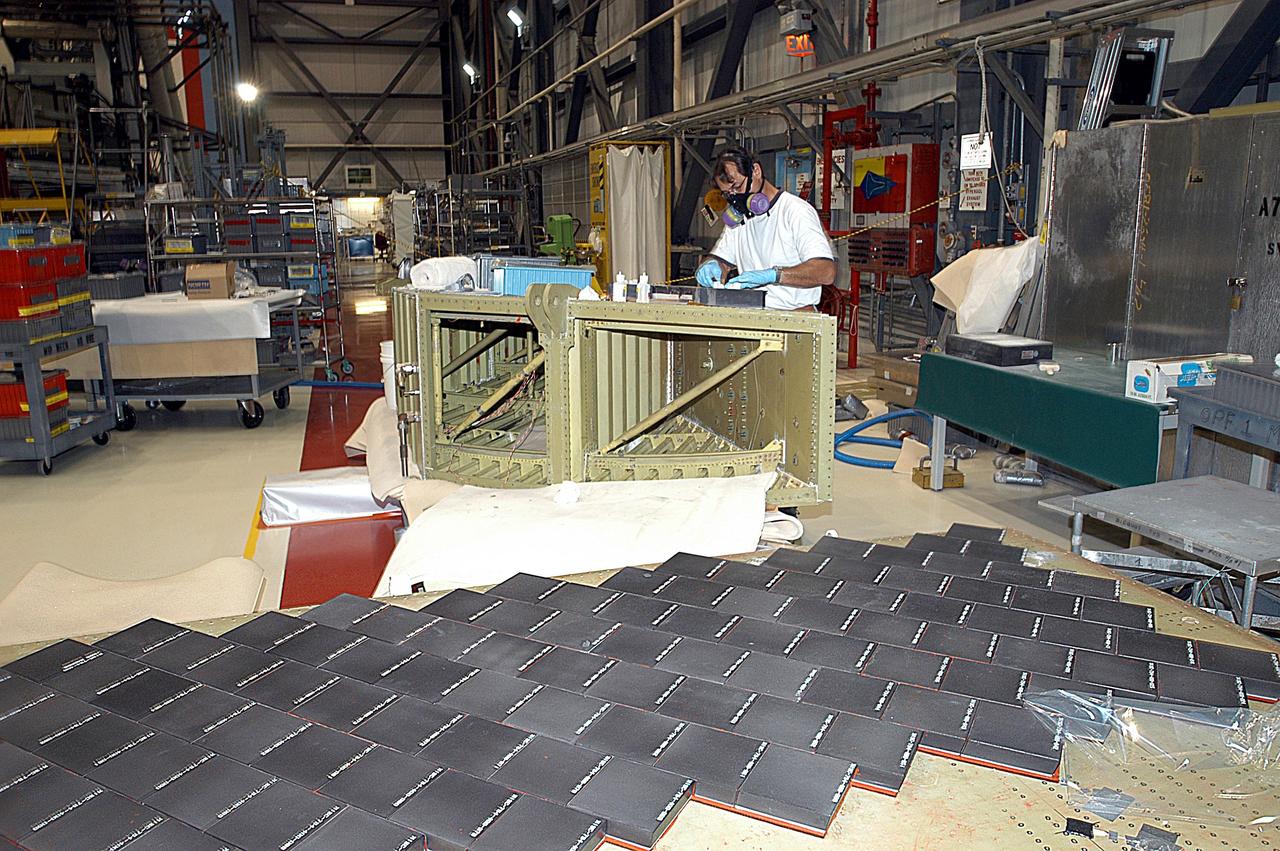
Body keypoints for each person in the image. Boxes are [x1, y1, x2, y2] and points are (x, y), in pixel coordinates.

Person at [696, 146, 836, 310]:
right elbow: (722, 260)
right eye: (728, 193)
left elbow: (826, 272)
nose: (734, 196)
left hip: (795, 317)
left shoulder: (795, 211)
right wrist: (710, 265)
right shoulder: (740, 218)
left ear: (755, 171)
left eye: (737, 187)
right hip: (752, 314)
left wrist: (774, 275)